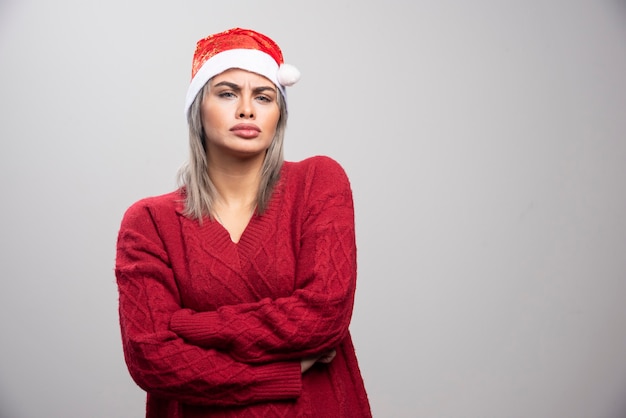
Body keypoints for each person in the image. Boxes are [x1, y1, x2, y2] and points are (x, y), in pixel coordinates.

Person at [115, 27, 372, 417]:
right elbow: (151, 357)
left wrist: (195, 327)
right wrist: (281, 375)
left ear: (278, 114)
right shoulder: (149, 222)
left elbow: (325, 315)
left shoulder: (318, 183)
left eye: (264, 97)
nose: (247, 109)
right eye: (228, 93)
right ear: (198, 107)